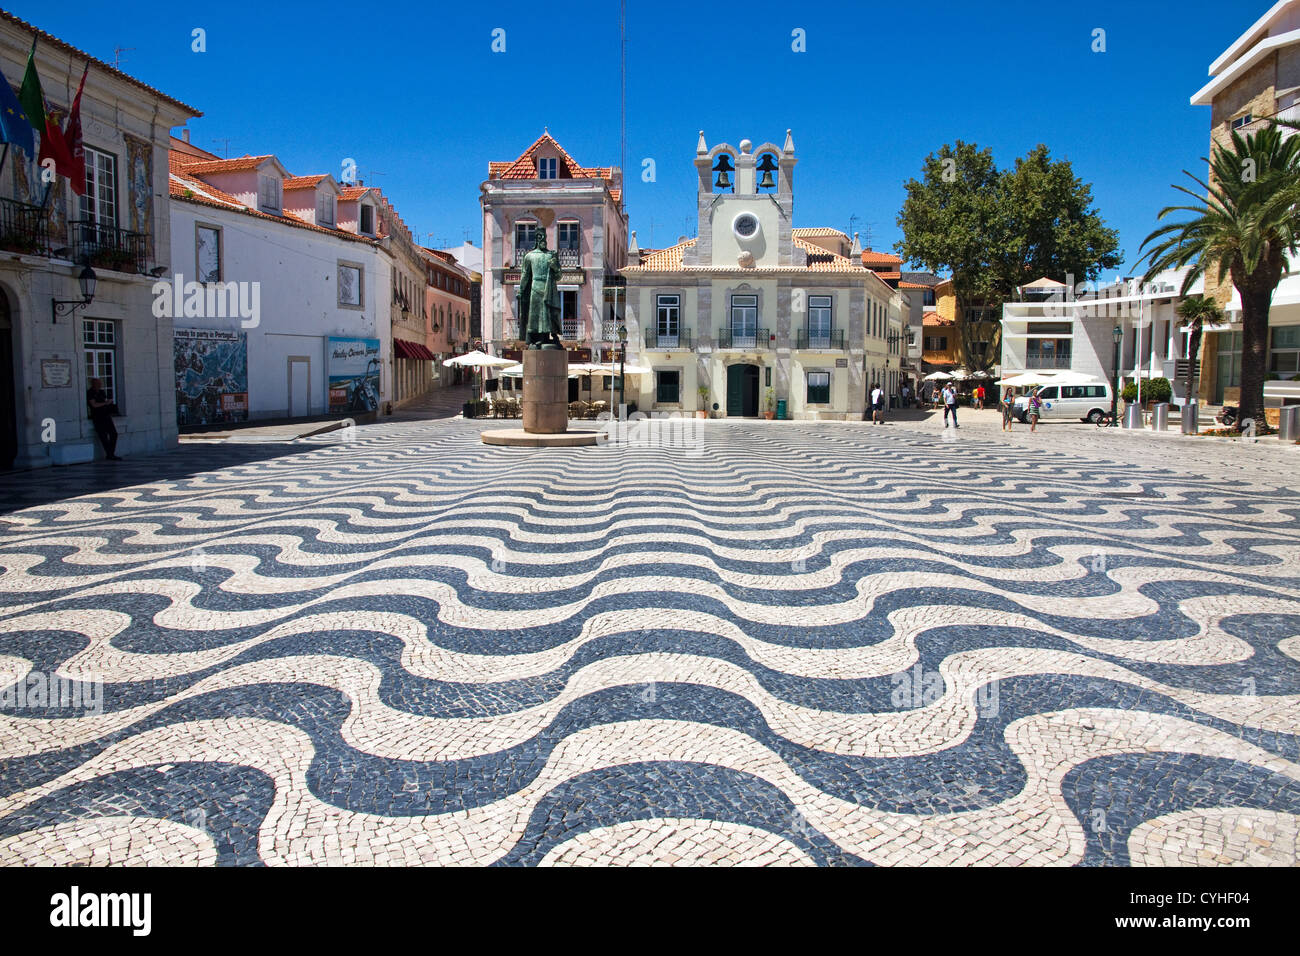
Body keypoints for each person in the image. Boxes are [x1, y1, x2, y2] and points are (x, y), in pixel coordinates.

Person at [86, 378, 120, 460]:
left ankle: (111, 453)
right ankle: (110, 454)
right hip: (97, 417)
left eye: (100, 383)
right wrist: (105, 403)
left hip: (106, 416)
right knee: (103, 436)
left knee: (114, 434)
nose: (100, 385)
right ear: (93, 384)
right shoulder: (90, 392)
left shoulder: (101, 392)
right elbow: (94, 405)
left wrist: (108, 402)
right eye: (98, 384)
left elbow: (104, 401)